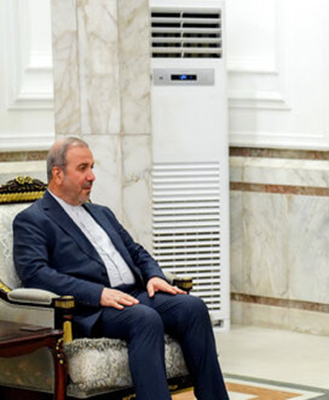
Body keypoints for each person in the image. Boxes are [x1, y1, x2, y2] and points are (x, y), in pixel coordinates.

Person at [13, 137, 229, 400]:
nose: (92, 176)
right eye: (83, 168)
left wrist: (154, 275)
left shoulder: (101, 212)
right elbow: (35, 274)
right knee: (145, 319)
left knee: (192, 308)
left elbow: (136, 251)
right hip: (92, 309)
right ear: (58, 174)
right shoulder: (33, 219)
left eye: (92, 167)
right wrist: (98, 294)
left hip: (134, 295)